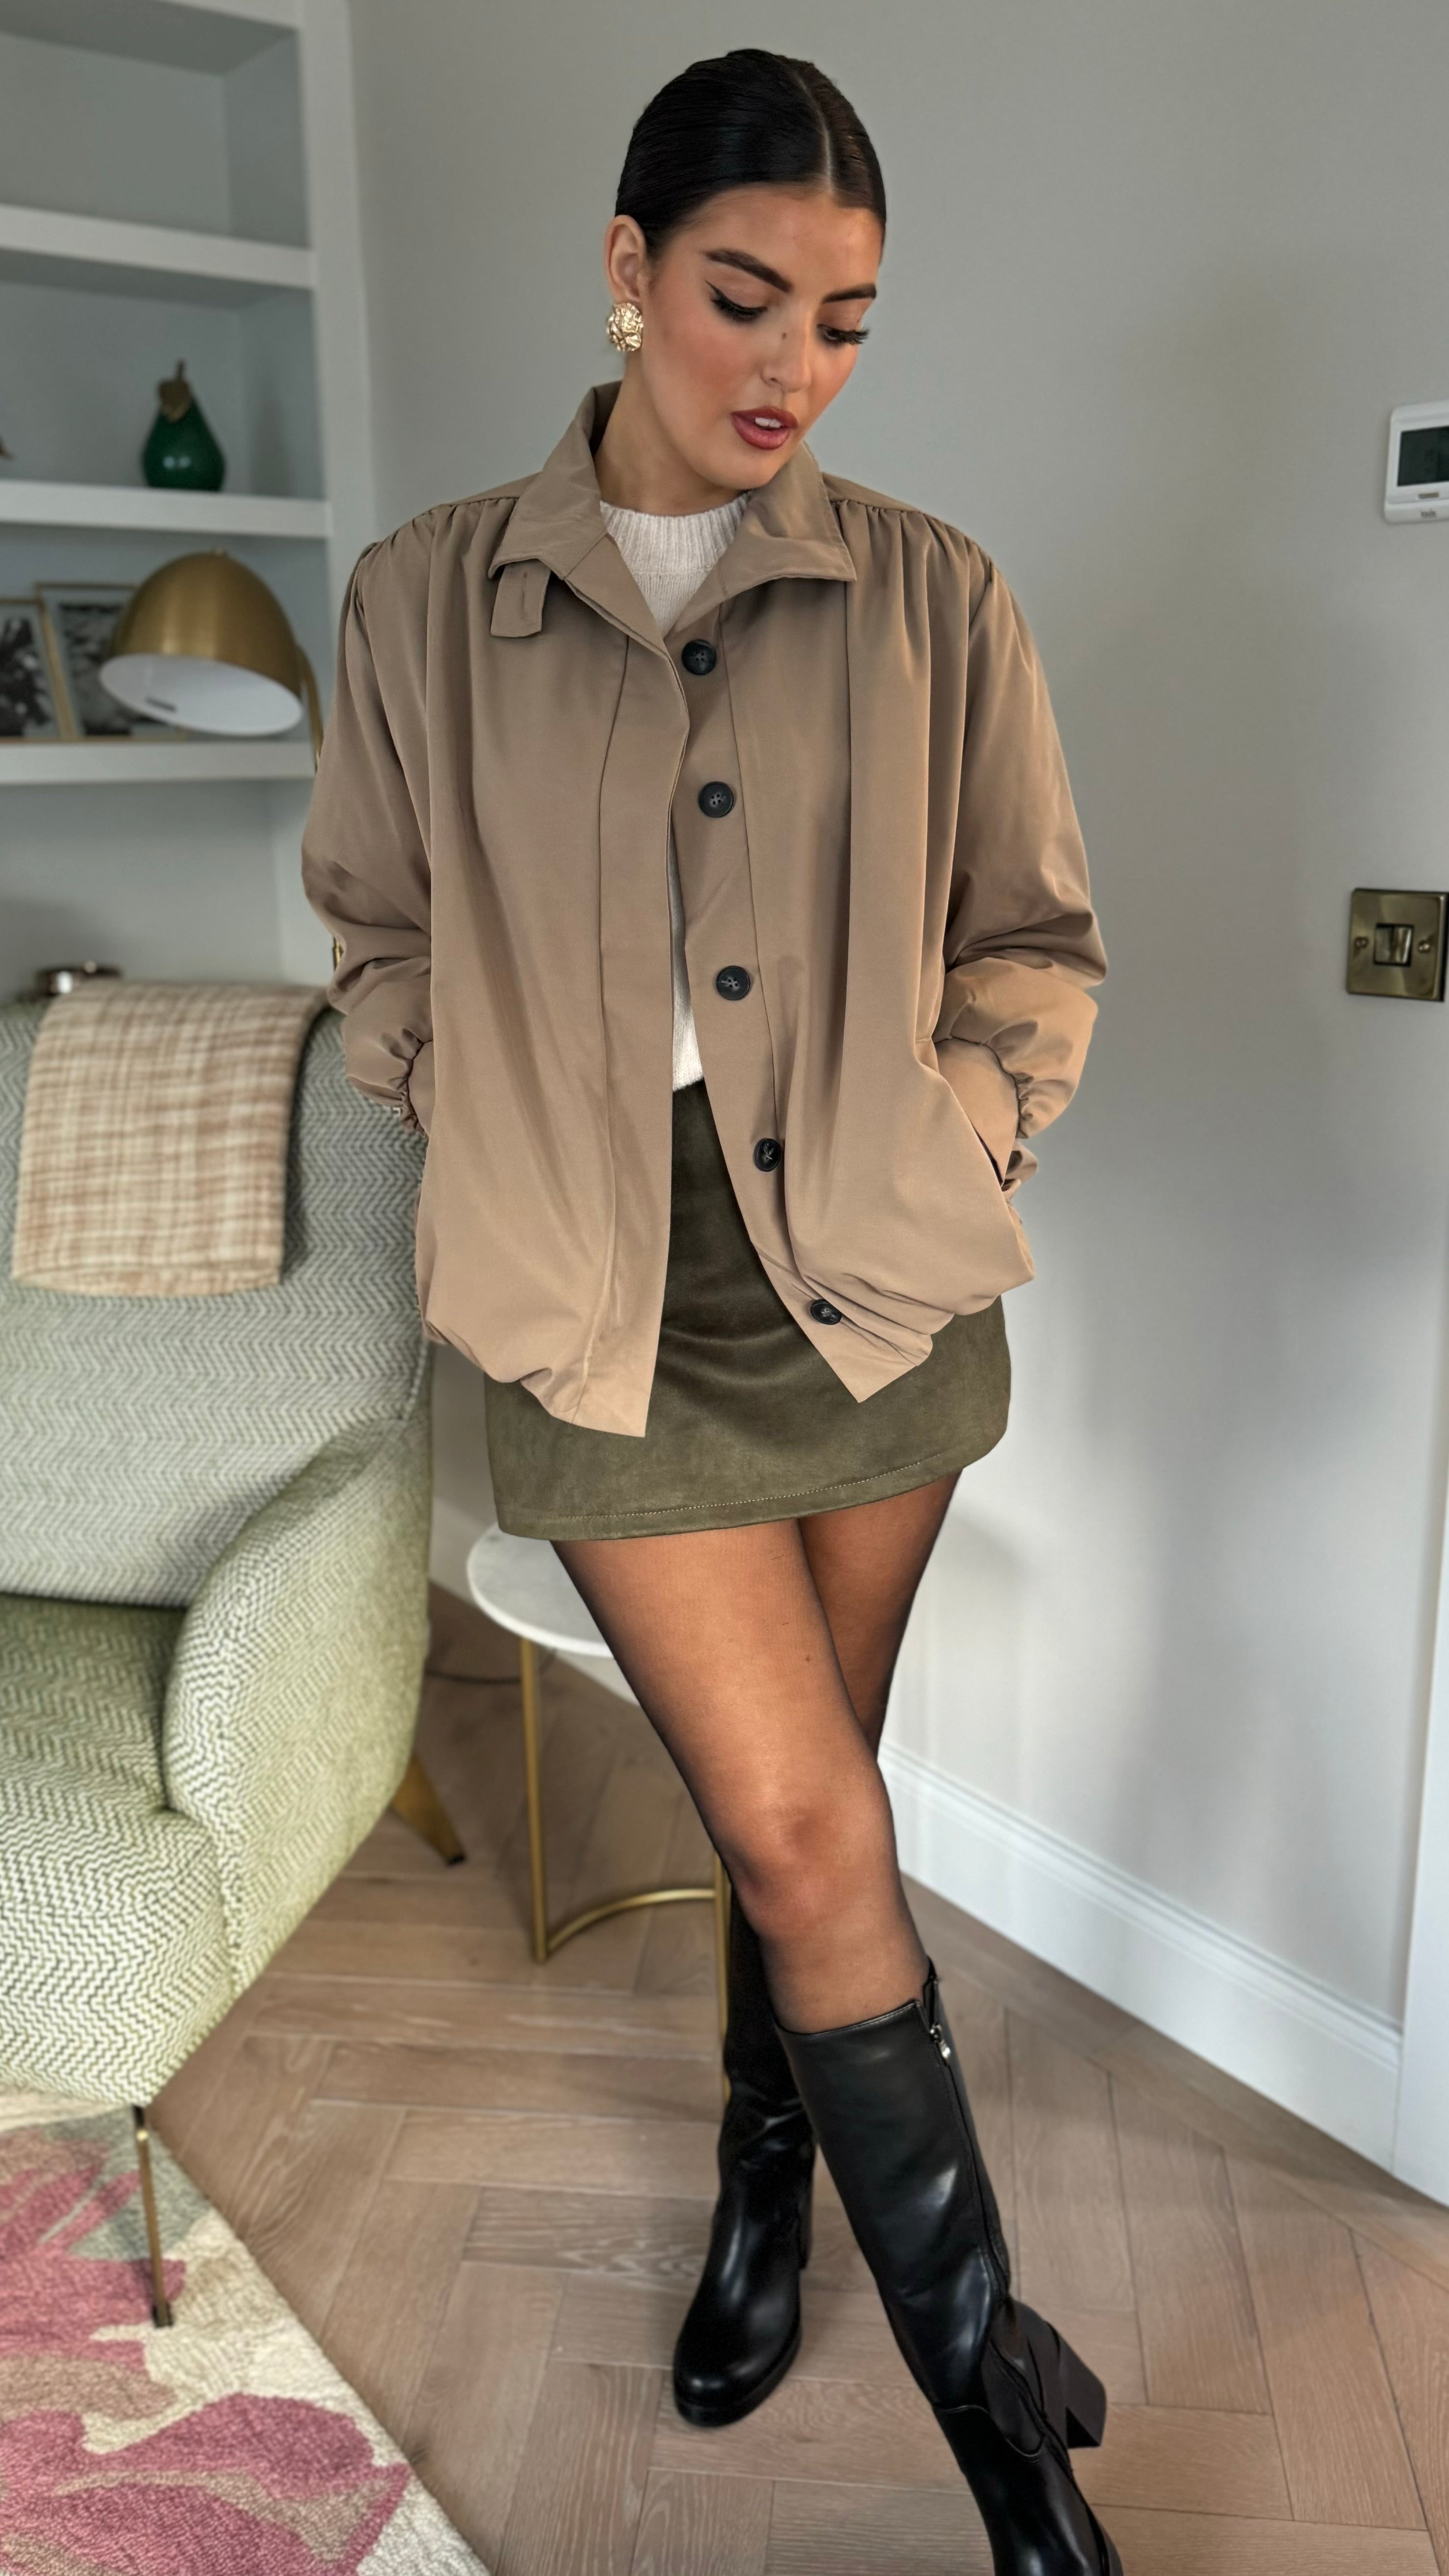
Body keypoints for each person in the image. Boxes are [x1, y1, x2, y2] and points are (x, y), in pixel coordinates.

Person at [302, 47, 1115, 2574]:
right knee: (792, 1818)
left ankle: (775, 2178)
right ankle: (1005, 2431)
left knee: (815, 1810)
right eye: (748, 296)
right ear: (628, 268)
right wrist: (461, 1099)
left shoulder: (933, 591)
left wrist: (974, 1121)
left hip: (871, 1275)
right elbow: (374, 924)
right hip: (596, 1286)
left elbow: (1032, 935)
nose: (794, 368)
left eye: (847, 322)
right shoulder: (426, 595)